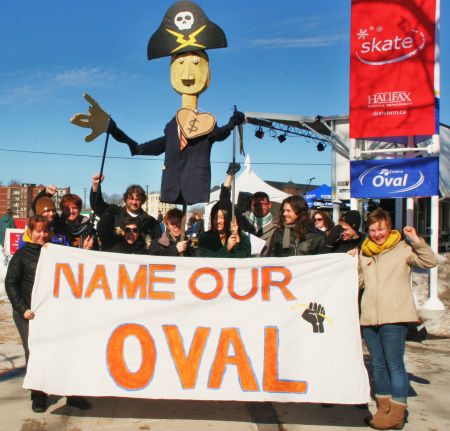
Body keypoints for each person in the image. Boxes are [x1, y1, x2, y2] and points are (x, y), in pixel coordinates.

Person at [71, 2, 245, 206]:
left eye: (195, 64)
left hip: (194, 187)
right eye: (180, 64)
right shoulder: (172, 129)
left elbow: (217, 135)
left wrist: (232, 123)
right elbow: (138, 148)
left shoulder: (206, 124)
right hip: (172, 189)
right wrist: (113, 129)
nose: (188, 74)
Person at [358, 209, 437, 430]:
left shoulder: (402, 249)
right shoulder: (365, 252)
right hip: (369, 318)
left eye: (381, 228)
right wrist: (348, 263)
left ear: (389, 227)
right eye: (373, 229)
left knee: (394, 365)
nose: (377, 234)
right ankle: (383, 409)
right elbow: (357, 282)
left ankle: (397, 414)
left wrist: (416, 240)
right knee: (377, 364)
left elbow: (429, 261)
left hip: (395, 316)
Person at [5, 216, 91, 412]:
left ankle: (72, 393)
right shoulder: (22, 255)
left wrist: (85, 253)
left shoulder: (56, 252)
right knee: (35, 353)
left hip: (54, 313)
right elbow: (10, 283)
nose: (42, 235)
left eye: (45, 231)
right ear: (30, 232)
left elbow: (74, 268)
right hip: (28, 313)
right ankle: (38, 395)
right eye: (38, 231)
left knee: (64, 350)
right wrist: (22, 308)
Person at [91, 174, 161, 250]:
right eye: (131, 198)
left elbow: (157, 246)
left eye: (138, 199)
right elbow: (97, 205)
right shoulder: (113, 213)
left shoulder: (151, 222)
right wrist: (96, 186)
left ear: (142, 201)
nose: (134, 202)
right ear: (125, 199)